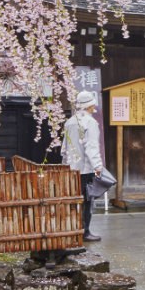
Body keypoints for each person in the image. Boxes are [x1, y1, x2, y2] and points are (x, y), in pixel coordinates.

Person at [61, 91, 103, 242]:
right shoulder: (90, 123)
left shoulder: (70, 121)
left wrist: (65, 164)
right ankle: (85, 232)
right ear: (90, 105)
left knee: (73, 200)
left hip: (71, 168)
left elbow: (64, 147)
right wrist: (98, 166)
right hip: (85, 169)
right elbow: (92, 147)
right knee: (86, 200)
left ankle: (73, 229)